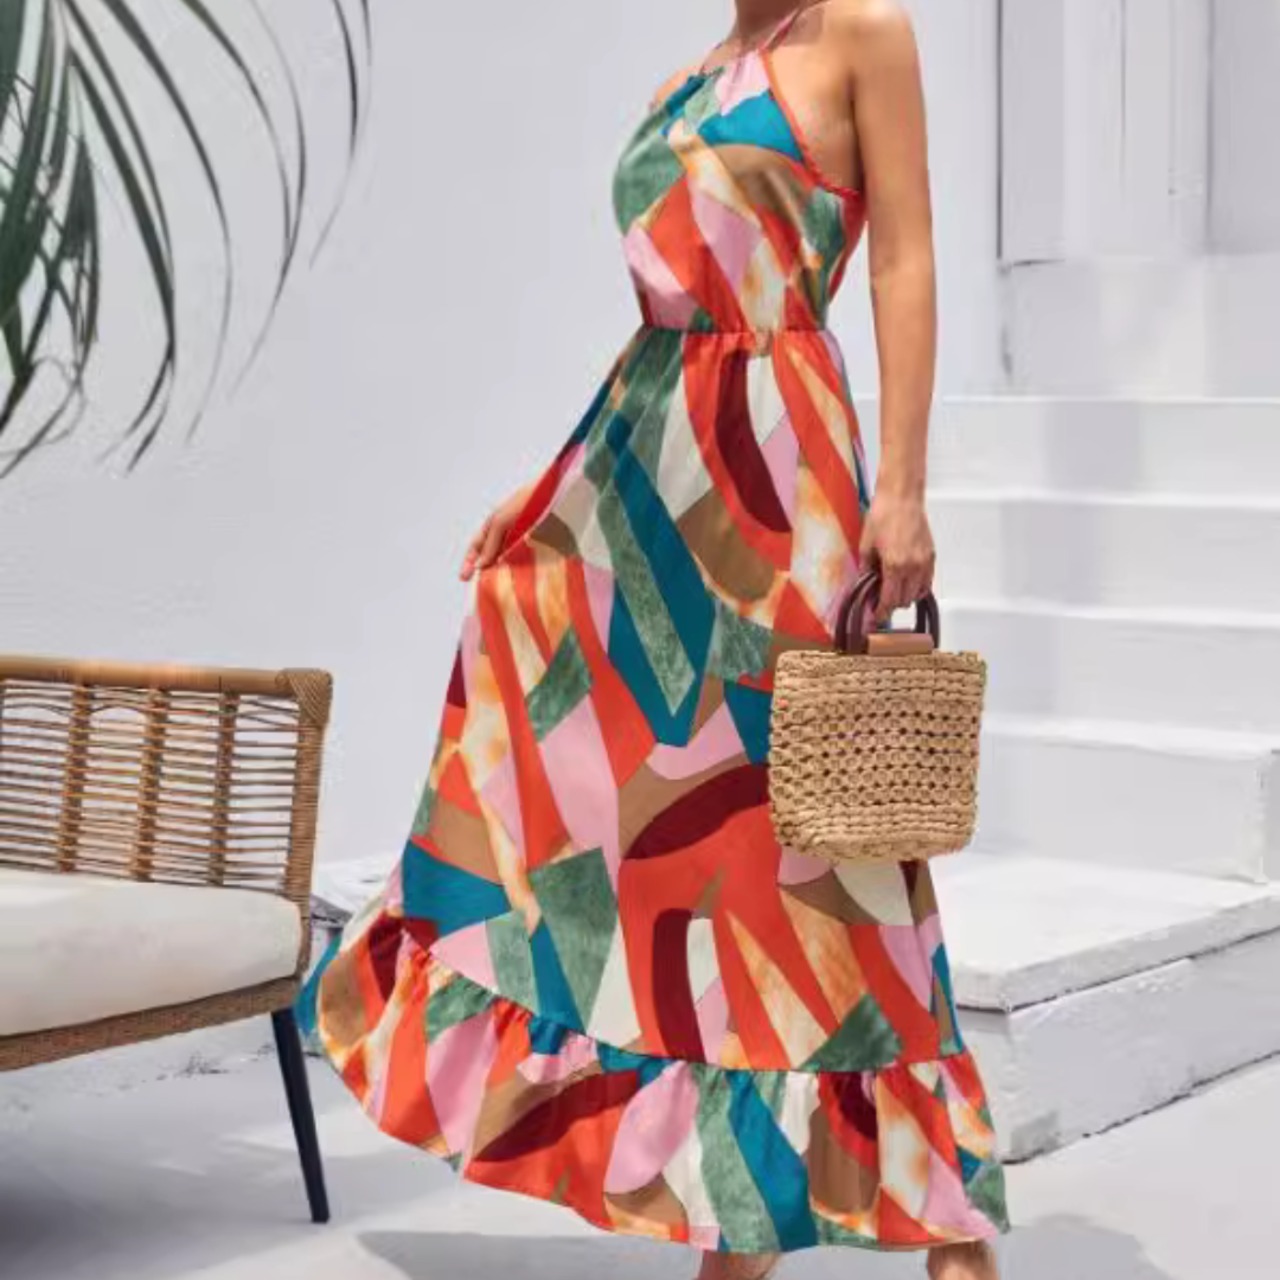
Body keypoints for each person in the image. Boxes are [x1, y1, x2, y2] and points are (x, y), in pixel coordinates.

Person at [307, 2, 1009, 1277]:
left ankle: (944, 1215)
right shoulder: (691, 80)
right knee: (677, 861)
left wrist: (903, 487)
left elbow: (904, 259)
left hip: (779, 473)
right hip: (651, 483)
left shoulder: (861, 32)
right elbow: (660, 332)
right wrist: (548, 491)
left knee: (824, 852)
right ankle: (737, 1209)